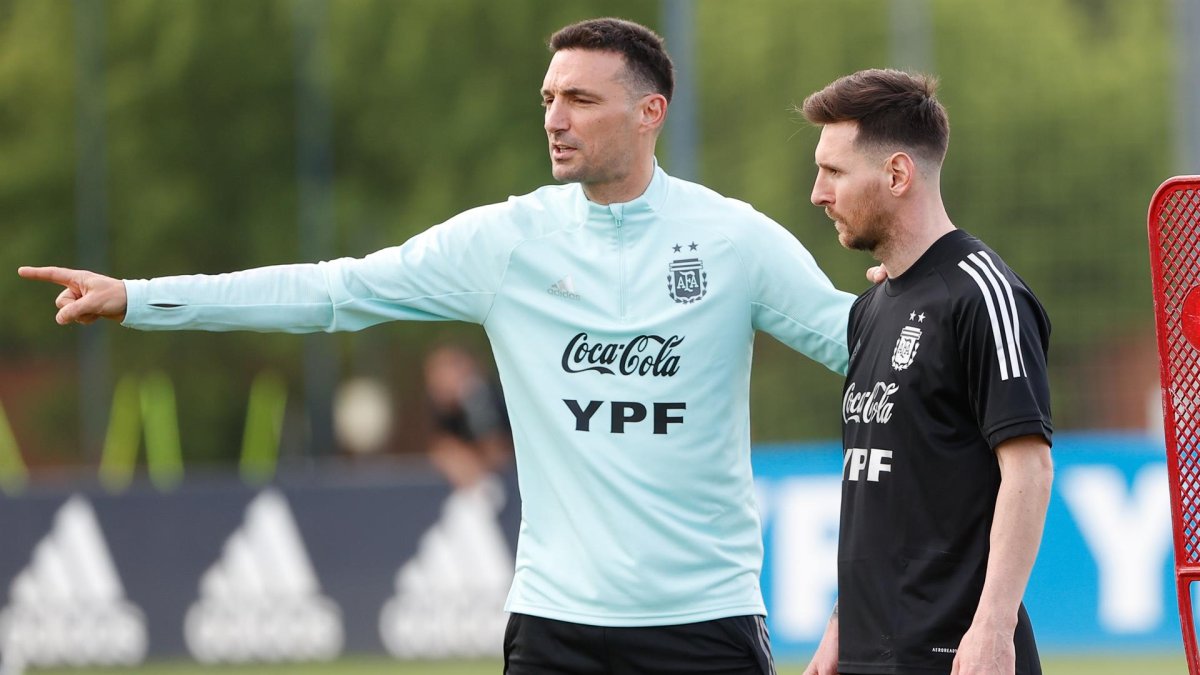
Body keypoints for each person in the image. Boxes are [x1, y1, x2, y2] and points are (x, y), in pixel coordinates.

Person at [20, 18, 857, 675]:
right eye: (547, 98)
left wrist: (930, 294)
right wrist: (142, 298)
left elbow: (865, 348)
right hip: (555, 626)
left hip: (703, 624)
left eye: (580, 99)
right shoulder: (508, 242)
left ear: (650, 113)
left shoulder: (734, 241)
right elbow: (334, 291)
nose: (554, 119)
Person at [798, 69, 1054, 675]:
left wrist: (993, 627)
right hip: (867, 653)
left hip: (956, 654)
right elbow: (880, 492)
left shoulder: (983, 294)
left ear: (896, 174)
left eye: (834, 172)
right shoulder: (869, 309)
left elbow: (1030, 469)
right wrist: (840, 626)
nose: (817, 193)